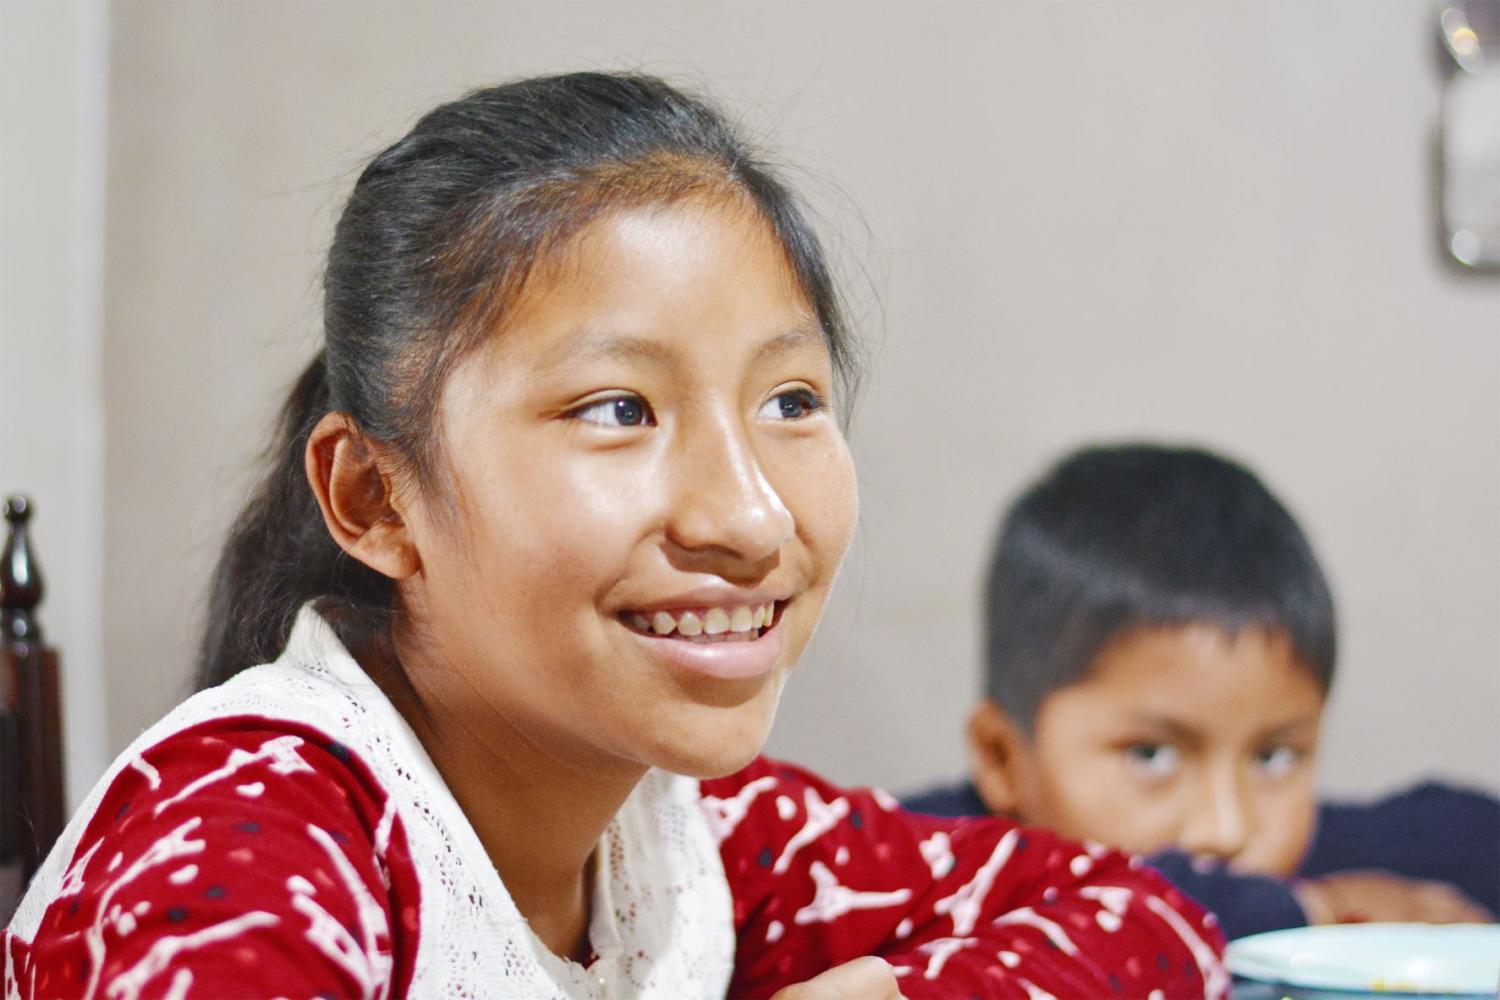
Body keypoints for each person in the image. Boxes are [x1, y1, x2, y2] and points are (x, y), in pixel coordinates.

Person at [1, 75, 1223, 998]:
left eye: (790, 403)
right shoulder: (249, 830)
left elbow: (1148, 924)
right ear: (376, 498)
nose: (749, 518)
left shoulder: (686, 834)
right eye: (617, 410)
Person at [904, 443, 1498, 940]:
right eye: (1151, 755)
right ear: (1002, 758)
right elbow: (1104, 910)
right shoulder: (902, 871)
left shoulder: (1321, 856)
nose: (1227, 829)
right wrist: (1314, 908)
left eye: (1274, 758)